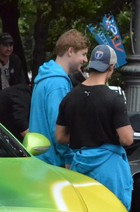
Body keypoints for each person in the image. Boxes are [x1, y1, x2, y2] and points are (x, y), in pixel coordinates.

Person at [55, 45, 135, 210]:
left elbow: (60, 137)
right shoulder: (114, 99)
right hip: (109, 171)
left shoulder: (69, 98)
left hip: (80, 167)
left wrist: (84, 134)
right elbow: (127, 139)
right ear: (111, 68)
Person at [30, 29, 89, 167]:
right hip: (53, 164)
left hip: (41, 161)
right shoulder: (58, 83)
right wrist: (69, 158)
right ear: (70, 51)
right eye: (84, 54)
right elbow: (58, 129)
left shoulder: (45, 77)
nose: (85, 60)